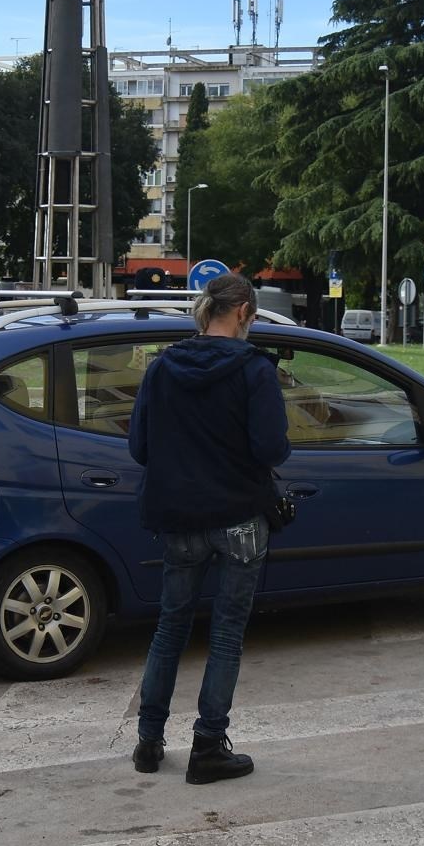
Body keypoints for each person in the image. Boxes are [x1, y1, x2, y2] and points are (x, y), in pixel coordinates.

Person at [128, 273, 291, 784]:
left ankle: (148, 742)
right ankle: (208, 747)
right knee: (226, 633)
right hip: (239, 518)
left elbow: (139, 447)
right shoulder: (255, 370)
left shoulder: (163, 367)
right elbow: (271, 449)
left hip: (179, 518)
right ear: (242, 311)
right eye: (256, 313)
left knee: (170, 626)